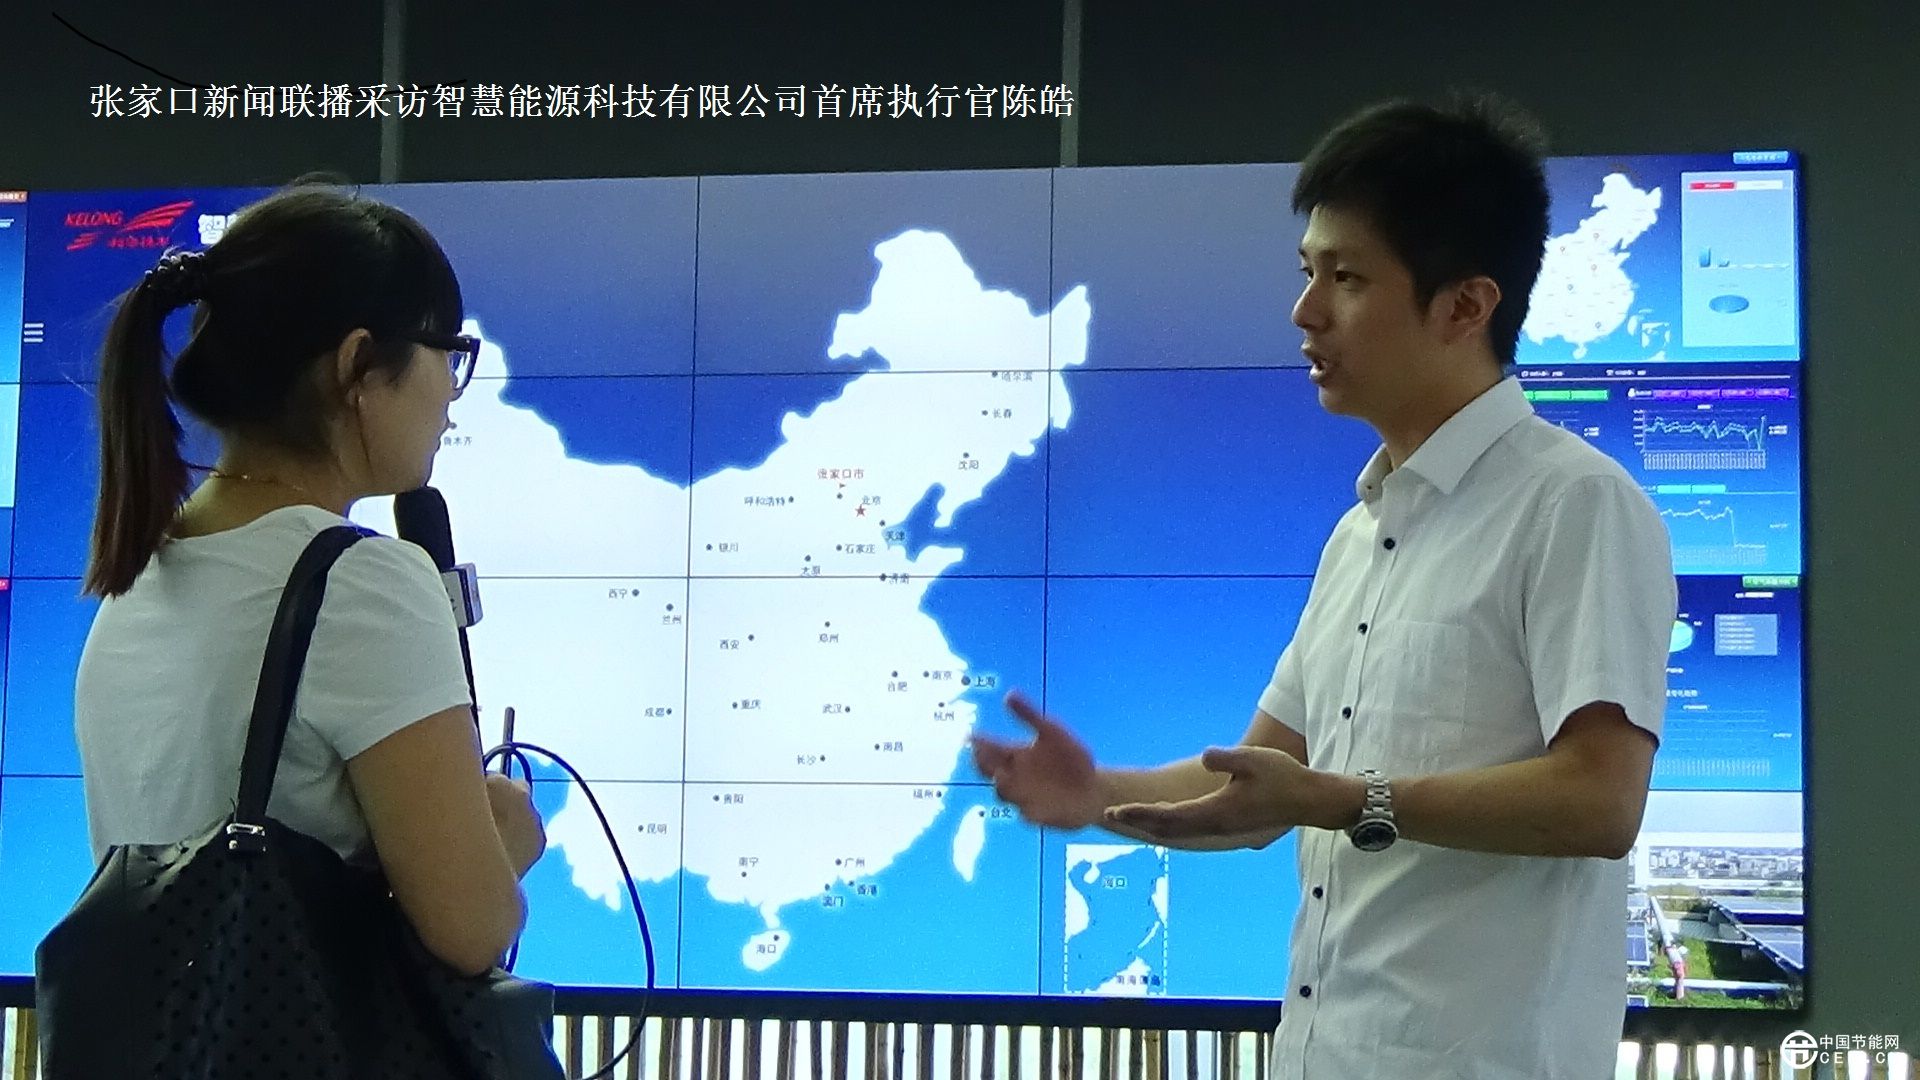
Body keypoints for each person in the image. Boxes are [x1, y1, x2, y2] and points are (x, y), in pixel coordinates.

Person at [973, 93, 1676, 1080]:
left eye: (1346, 278)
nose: (1306, 312)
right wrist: (1098, 797)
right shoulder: (1360, 533)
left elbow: (1599, 801)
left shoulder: (1575, 505)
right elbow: (1261, 789)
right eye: (1307, 273)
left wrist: (1349, 800)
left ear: (1465, 306)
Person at [74, 182, 545, 979]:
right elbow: (472, 932)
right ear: (358, 364)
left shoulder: (139, 576)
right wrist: (506, 838)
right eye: (447, 353)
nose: (450, 396)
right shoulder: (363, 583)